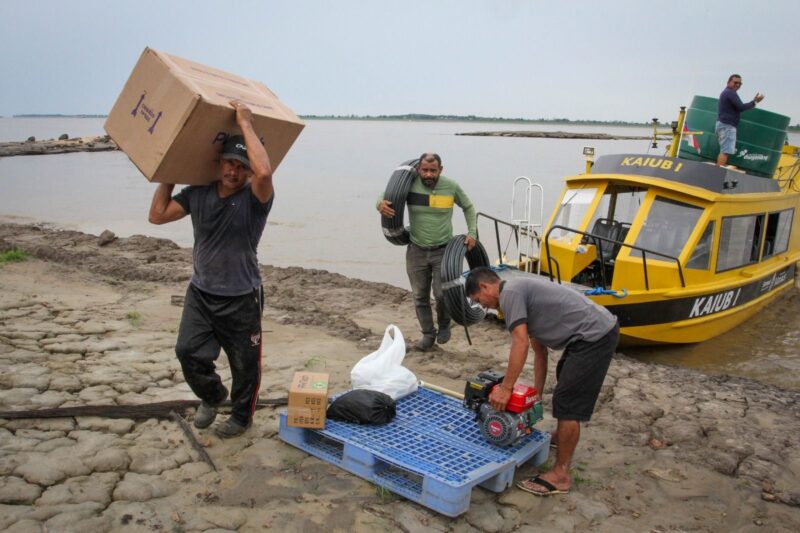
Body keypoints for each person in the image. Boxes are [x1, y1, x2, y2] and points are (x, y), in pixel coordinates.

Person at [148, 101, 274, 438]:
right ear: (219, 163)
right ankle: (213, 395)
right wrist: (169, 177)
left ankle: (241, 417)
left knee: (245, 365)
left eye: (241, 167)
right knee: (186, 351)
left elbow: (264, 173)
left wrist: (245, 123)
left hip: (242, 296)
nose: (234, 172)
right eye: (230, 164)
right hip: (201, 292)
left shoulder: (255, 199)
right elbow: (157, 215)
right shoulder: (197, 194)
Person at [465, 267, 619, 496]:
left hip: (594, 336)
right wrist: (535, 394)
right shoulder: (521, 294)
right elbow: (540, 352)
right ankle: (561, 436)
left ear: (485, 287)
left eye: (479, 300)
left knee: (568, 403)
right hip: (588, 335)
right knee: (564, 376)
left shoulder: (511, 295)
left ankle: (561, 475)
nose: (483, 306)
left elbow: (521, 343)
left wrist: (506, 388)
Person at [377, 153, 477, 350]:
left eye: (433, 170)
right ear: (418, 169)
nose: (429, 174)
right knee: (420, 296)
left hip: (443, 250)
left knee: (441, 294)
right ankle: (428, 335)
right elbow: (385, 196)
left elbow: (468, 207)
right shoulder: (409, 184)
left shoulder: (451, 186)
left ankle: (444, 325)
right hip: (416, 251)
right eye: (425, 170)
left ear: (441, 169)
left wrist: (472, 232)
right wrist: (379, 204)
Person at [716, 74, 765, 167]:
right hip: (727, 125)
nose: (738, 85)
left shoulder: (726, 92)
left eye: (740, 83)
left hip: (722, 124)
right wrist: (754, 102)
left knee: (724, 150)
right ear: (729, 82)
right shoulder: (730, 92)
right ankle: (717, 172)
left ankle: (718, 169)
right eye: (735, 82)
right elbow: (741, 107)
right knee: (725, 151)